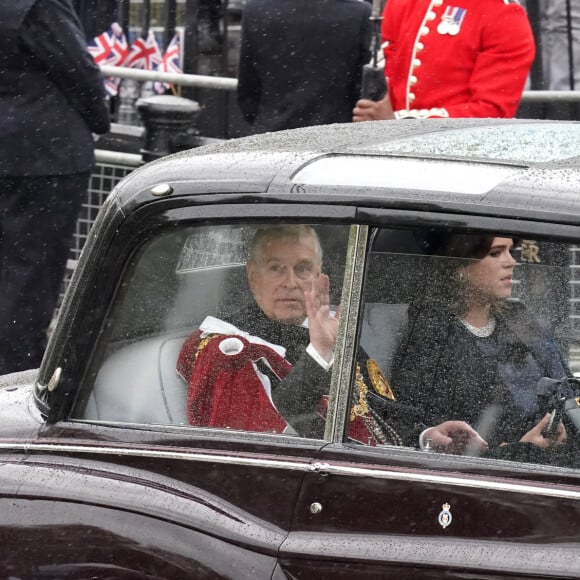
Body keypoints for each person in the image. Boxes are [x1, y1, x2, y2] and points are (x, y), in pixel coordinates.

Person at [177, 225, 487, 452]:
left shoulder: (328, 327)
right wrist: (320, 353)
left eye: (302, 269)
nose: (290, 282)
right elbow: (265, 448)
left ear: (319, 275)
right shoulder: (228, 348)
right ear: (252, 274)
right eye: (275, 269)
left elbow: (372, 412)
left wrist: (427, 438)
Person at [0, 0, 111, 375]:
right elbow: (78, 69)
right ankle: (16, 375)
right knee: (31, 279)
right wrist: (100, 118)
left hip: (20, 148)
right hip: (42, 154)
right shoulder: (39, 6)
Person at [391, 234, 571, 462]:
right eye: (495, 253)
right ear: (461, 266)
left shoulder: (519, 317)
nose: (511, 262)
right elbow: (429, 429)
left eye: (510, 251)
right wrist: (520, 449)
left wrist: (559, 423)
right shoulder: (432, 329)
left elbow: (565, 386)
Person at [352, 0, 536, 121]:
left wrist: (397, 122)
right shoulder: (403, 3)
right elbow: (389, 78)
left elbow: (491, 112)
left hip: (460, 155)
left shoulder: (504, 15)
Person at [236, 0, 372, 134]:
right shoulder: (358, 12)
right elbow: (364, 87)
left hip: (271, 133)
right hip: (336, 135)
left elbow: (247, 88)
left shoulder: (256, 8)